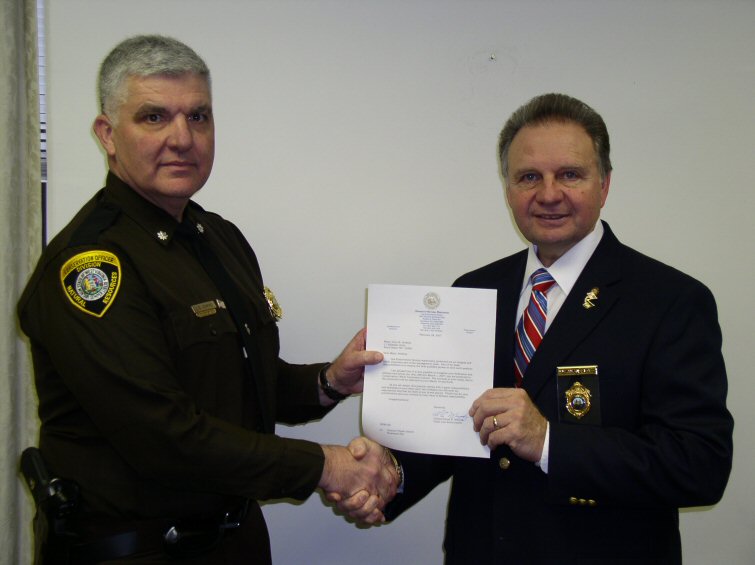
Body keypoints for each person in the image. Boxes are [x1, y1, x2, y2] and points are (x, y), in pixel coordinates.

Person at [17, 35, 397, 565]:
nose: (182, 138)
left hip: (233, 543)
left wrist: (327, 382)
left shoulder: (217, 238)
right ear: (107, 133)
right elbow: (164, 435)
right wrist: (326, 465)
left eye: (199, 117)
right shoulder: (91, 266)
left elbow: (237, 385)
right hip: (135, 552)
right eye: (154, 117)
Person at [338, 93, 734, 564]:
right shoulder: (475, 290)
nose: (548, 194)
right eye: (529, 177)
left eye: (570, 174)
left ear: (604, 185)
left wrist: (549, 440)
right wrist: (392, 476)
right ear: (508, 190)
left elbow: (699, 466)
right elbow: (455, 432)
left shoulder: (670, 300)